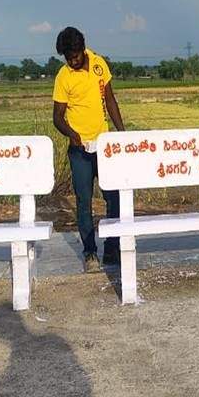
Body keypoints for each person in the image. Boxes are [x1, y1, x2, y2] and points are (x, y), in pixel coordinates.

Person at [52, 27, 125, 271]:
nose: (72, 61)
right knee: (84, 201)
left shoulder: (98, 64)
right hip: (80, 149)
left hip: (104, 146)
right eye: (67, 57)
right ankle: (90, 252)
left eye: (74, 55)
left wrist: (121, 133)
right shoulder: (63, 76)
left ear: (83, 48)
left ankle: (113, 249)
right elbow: (57, 117)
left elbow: (110, 99)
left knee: (113, 198)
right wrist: (71, 134)